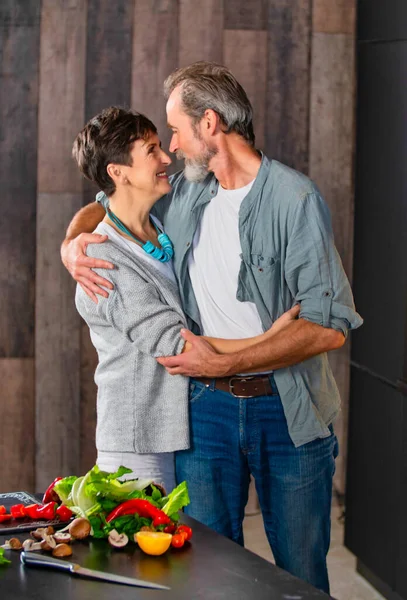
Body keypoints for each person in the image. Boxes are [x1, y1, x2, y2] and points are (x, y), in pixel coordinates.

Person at [61, 63, 363, 593]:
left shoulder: (294, 201)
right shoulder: (183, 193)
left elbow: (330, 327)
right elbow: (105, 204)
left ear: (209, 124)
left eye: (175, 131)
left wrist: (227, 360)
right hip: (204, 414)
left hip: (288, 410)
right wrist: (71, 245)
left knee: (300, 576)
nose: (171, 148)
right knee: (206, 573)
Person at [70, 105, 297, 495]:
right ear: (117, 172)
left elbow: (98, 205)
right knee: (144, 552)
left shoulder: (158, 225)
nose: (166, 157)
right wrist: (273, 340)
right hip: (138, 441)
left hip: (175, 433)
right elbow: (178, 345)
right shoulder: (103, 259)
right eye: (151, 150)